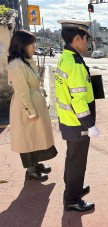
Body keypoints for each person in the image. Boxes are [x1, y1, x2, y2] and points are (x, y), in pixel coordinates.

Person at [55, 20, 100, 212]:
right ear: (77, 38)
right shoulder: (74, 64)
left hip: (67, 120)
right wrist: (89, 124)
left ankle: (73, 187)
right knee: (77, 160)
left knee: (72, 157)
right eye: (86, 38)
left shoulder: (66, 57)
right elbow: (78, 100)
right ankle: (72, 199)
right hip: (77, 122)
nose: (87, 41)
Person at [7, 30, 57, 181]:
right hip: (25, 106)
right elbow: (22, 91)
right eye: (31, 43)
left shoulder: (24, 62)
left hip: (33, 102)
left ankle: (35, 164)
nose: (34, 47)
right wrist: (30, 110)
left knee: (35, 136)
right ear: (23, 45)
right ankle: (30, 170)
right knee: (27, 138)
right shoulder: (16, 65)